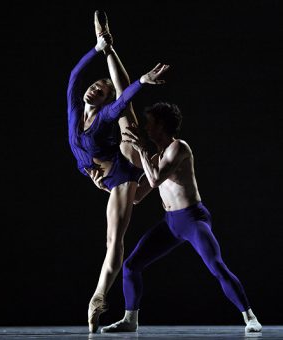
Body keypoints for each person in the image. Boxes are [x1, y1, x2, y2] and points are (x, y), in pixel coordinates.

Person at [97, 102, 262, 333]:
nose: (146, 127)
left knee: (216, 265)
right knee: (131, 265)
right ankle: (130, 319)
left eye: (150, 123)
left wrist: (142, 149)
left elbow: (154, 180)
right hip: (171, 223)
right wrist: (107, 186)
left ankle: (250, 317)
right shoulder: (155, 157)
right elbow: (137, 196)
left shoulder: (179, 148)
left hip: (193, 220)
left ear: (161, 126)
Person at [66, 10, 170, 333]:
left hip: (123, 166)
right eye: (95, 87)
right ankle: (107, 45)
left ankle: (97, 296)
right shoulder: (74, 112)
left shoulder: (106, 115)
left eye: (101, 90)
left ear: (104, 99)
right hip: (110, 178)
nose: (94, 90)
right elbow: (73, 77)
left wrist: (142, 81)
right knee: (121, 223)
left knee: (115, 239)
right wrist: (96, 49)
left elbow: (122, 96)